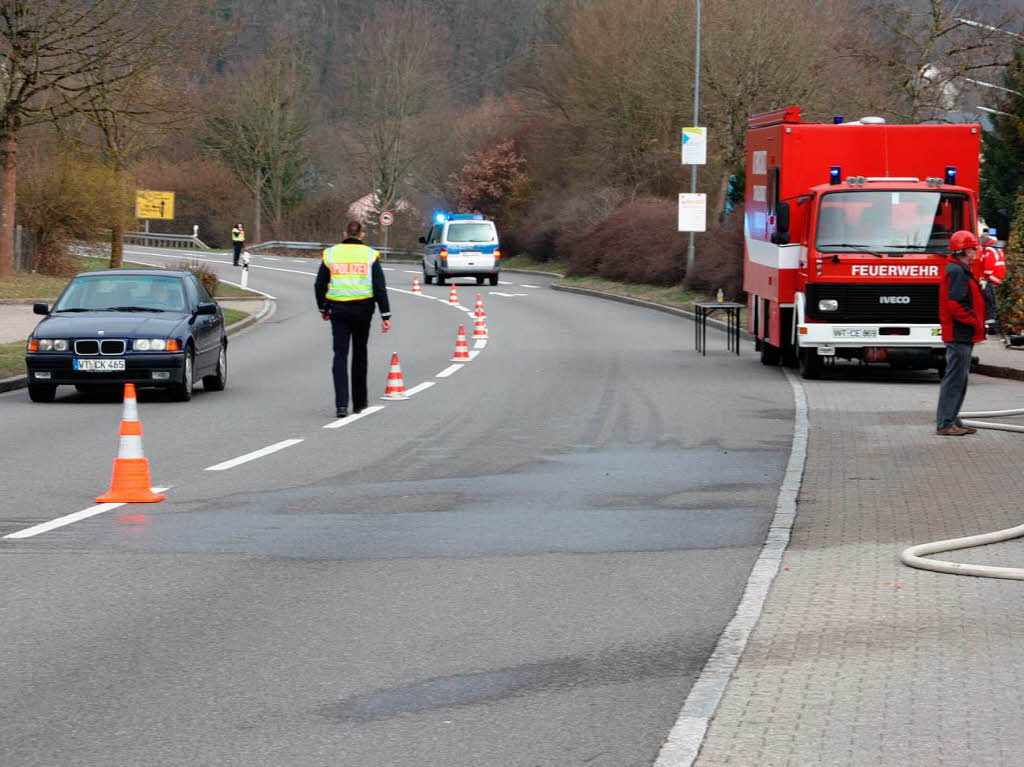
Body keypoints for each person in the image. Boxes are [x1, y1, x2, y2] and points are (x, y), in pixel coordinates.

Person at [314, 220, 391, 418]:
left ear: (344, 233)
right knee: (360, 354)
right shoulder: (369, 254)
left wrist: (323, 306)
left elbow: (320, 284)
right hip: (363, 309)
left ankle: (341, 405)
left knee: (339, 355)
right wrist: (385, 314)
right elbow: (379, 286)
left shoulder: (331, 253)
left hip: (338, 309)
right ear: (362, 234)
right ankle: (359, 403)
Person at [936, 229, 985, 436]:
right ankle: (946, 423)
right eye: (973, 249)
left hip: (963, 334)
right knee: (955, 380)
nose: (976, 253)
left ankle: (953, 419)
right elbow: (955, 304)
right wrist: (974, 322)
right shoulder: (957, 272)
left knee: (959, 380)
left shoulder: (960, 270)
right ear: (966, 251)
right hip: (960, 334)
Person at [979, 228, 1006, 335]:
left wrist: (983, 277)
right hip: (998, 278)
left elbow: (988, 268)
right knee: (993, 303)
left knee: (991, 302)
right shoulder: (996, 248)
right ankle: (993, 325)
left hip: (992, 278)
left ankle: (992, 327)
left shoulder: (989, 250)